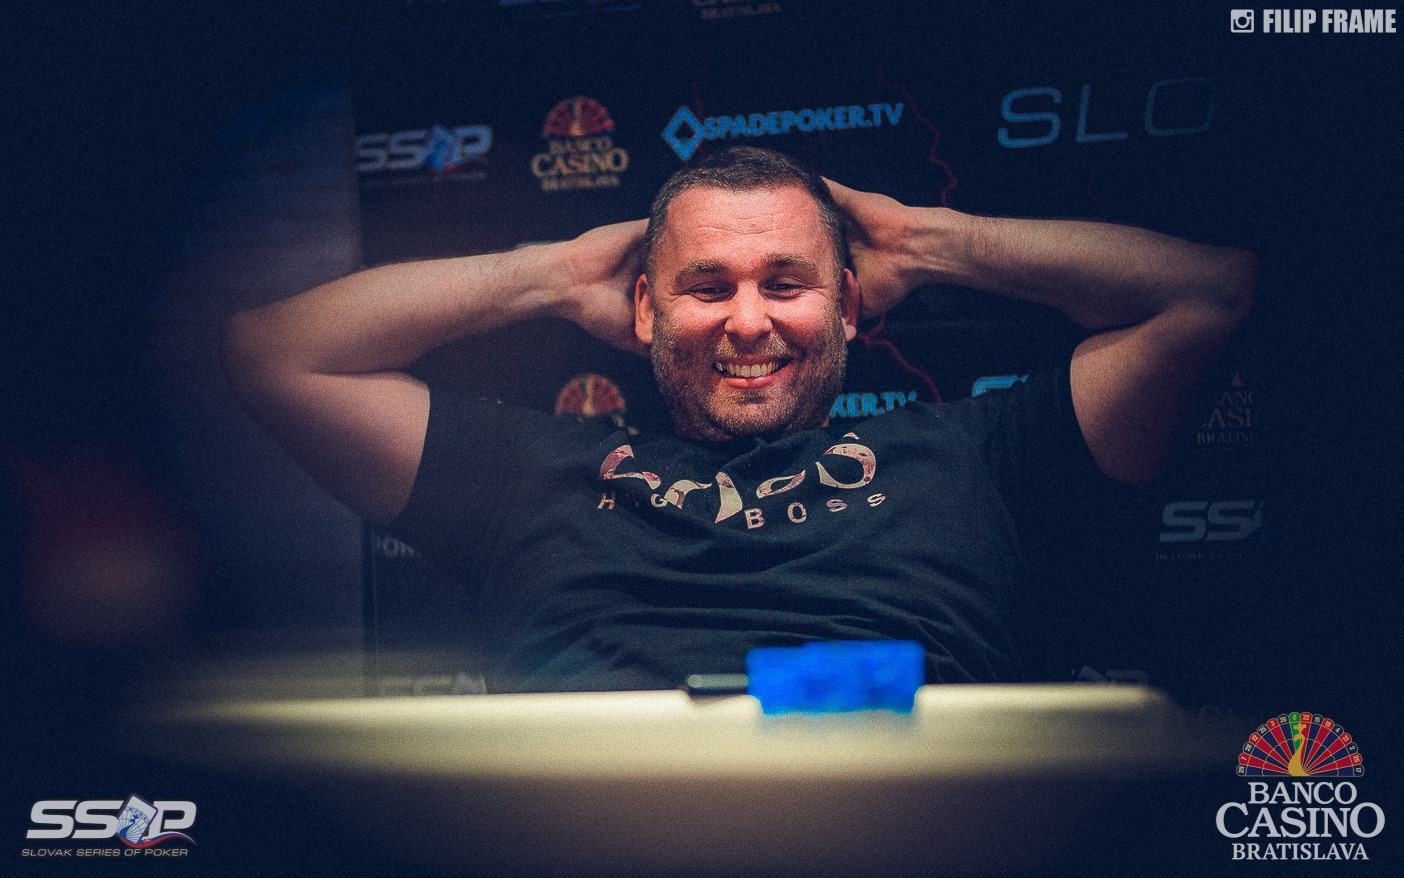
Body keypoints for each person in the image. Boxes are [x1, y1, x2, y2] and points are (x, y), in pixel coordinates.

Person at [223, 146, 1255, 693]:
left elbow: (1209, 294)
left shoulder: (978, 454)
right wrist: (551, 275)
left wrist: (928, 241)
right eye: (708, 285)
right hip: (597, 822)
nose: (749, 321)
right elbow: (274, 351)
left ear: (848, 307)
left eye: (787, 283)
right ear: (645, 311)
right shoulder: (531, 469)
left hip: (907, 810)